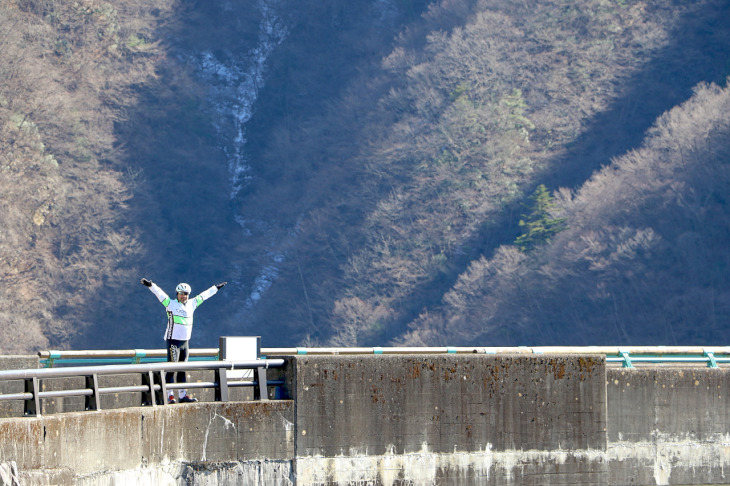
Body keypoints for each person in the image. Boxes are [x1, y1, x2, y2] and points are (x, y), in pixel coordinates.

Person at [140, 278, 227, 403]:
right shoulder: (171, 304)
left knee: (182, 369)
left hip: (185, 342)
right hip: (173, 341)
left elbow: (204, 296)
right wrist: (151, 285)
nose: (183, 296)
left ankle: (182, 395)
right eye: (181, 294)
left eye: (185, 294)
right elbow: (160, 294)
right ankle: (169, 395)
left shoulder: (192, 304)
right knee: (172, 368)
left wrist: (216, 288)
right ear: (177, 294)